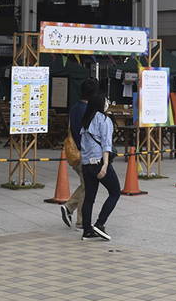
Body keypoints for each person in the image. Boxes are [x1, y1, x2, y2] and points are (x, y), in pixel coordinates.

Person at [78, 85, 120, 241]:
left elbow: (84, 144)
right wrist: (105, 165)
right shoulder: (104, 119)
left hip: (86, 163)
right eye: (106, 100)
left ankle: (87, 230)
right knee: (115, 192)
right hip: (99, 162)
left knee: (89, 197)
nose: (107, 102)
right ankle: (100, 223)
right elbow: (106, 144)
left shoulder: (86, 119)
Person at [58, 78, 97, 229]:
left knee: (86, 184)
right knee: (88, 186)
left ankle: (69, 208)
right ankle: (80, 219)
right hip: (83, 153)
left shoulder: (75, 107)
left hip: (75, 152)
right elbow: (85, 134)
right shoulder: (86, 110)